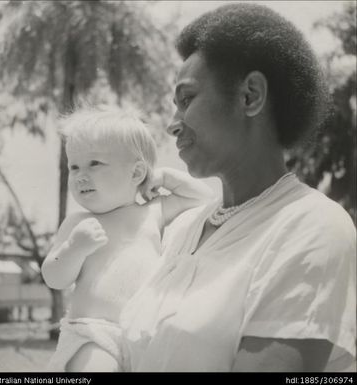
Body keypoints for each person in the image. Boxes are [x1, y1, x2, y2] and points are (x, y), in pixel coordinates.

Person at [119, 3, 356, 372]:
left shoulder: (313, 228)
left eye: (186, 100)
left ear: (250, 96)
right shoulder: (182, 231)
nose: (172, 124)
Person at [41, 106, 214, 372]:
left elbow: (203, 199)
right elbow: (54, 277)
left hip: (144, 335)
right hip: (93, 334)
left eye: (94, 163)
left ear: (136, 173)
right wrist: (74, 249)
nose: (80, 175)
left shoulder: (153, 213)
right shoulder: (78, 224)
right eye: (73, 166)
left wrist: (166, 176)